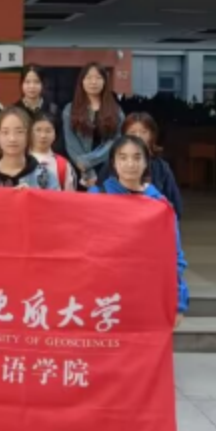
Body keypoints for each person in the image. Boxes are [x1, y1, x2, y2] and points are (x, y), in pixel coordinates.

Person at [90, 136, 190, 327]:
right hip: (104, 294)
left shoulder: (159, 205)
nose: (130, 164)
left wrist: (179, 302)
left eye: (137, 157)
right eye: (123, 157)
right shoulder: (96, 196)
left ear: (146, 162)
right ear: (113, 162)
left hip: (145, 293)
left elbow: (174, 256)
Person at [101, 113, 184, 219]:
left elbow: (175, 208)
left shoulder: (162, 168)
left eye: (144, 132)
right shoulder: (111, 165)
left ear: (152, 135)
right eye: (132, 132)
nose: (138, 136)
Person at [63, 63, 124, 189]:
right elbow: (71, 143)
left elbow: (116, 141)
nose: (93, 82)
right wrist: (87, 171)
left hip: (107, 167)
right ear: (82, 81)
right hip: (79, 169)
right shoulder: (70, 109)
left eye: (98, 78)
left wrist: (88, 161)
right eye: (89, 77)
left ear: (105, 82)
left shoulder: (116, 111)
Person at [0, 107, 59, 189]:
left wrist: (31, 195)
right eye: (5, 132)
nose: (12, 139)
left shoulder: (46, 177)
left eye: (19, 132)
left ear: (28, 135)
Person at [31, 112, 76, 192]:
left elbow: (70, 196)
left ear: (55, 135)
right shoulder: (20, 160)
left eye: (48, 131)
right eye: (38, 130)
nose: (43, 135)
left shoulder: (63, 164)